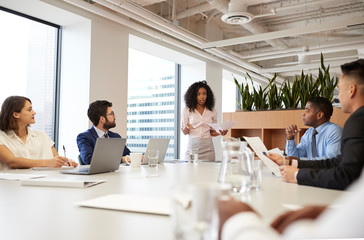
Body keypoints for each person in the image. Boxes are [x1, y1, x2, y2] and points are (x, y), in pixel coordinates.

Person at [265, 59, 364, 190]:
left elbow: (345, 175)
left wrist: (297, 174)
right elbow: (336, 162)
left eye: (339, 90)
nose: (338, 97)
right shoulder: (309, 133)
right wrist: (289, 161)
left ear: (351, 90)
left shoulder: (356, 121)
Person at [218, 168, 364, 240]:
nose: (303, 115)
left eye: (307, 110)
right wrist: (330, 212)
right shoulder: (308, 133)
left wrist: (238, 220)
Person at [0, 96, 78, 169]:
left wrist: (66, 162)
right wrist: (48, 163)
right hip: (13, 183)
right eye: (29, 110)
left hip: (44, 181)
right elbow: (12, 162)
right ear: (16, 114)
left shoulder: (41, 135)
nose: (34, 112)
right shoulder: (2, 137)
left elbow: (55, 160)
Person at [181, 80, 227, 161]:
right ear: (193, 96)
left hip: (208, 148)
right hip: (193, 148)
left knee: (208, 173)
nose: (202, 97)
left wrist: (220, 132)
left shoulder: (212, 111)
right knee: (190, 172)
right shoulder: (187, 110)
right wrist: (187, 127)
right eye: (198, 94)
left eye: (204, 94)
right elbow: (185, 132)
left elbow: (212, 132)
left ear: (207, 95)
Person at [77, 100, 130, 165]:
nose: (114, 117)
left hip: (116, 174)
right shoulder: (84, 137)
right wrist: (121, 159)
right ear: (102, 119)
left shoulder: (115, 136)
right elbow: (89, 159)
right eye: (111, 114)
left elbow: (128, 155)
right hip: (97, 175)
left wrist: (140, 157)